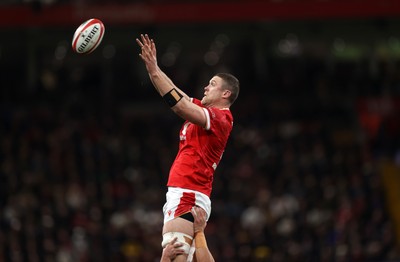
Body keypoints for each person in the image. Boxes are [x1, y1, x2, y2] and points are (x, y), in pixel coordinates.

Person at [136, 34, 239, 262]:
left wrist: (154, 71)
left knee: (173, 257)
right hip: (186, 192)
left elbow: (180, 106)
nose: (205, 86)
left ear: (225, 93)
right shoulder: (205, 109)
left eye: (212, 84)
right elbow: (176, 92)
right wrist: (154, 69)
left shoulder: (221, 117)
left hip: (188, 193)